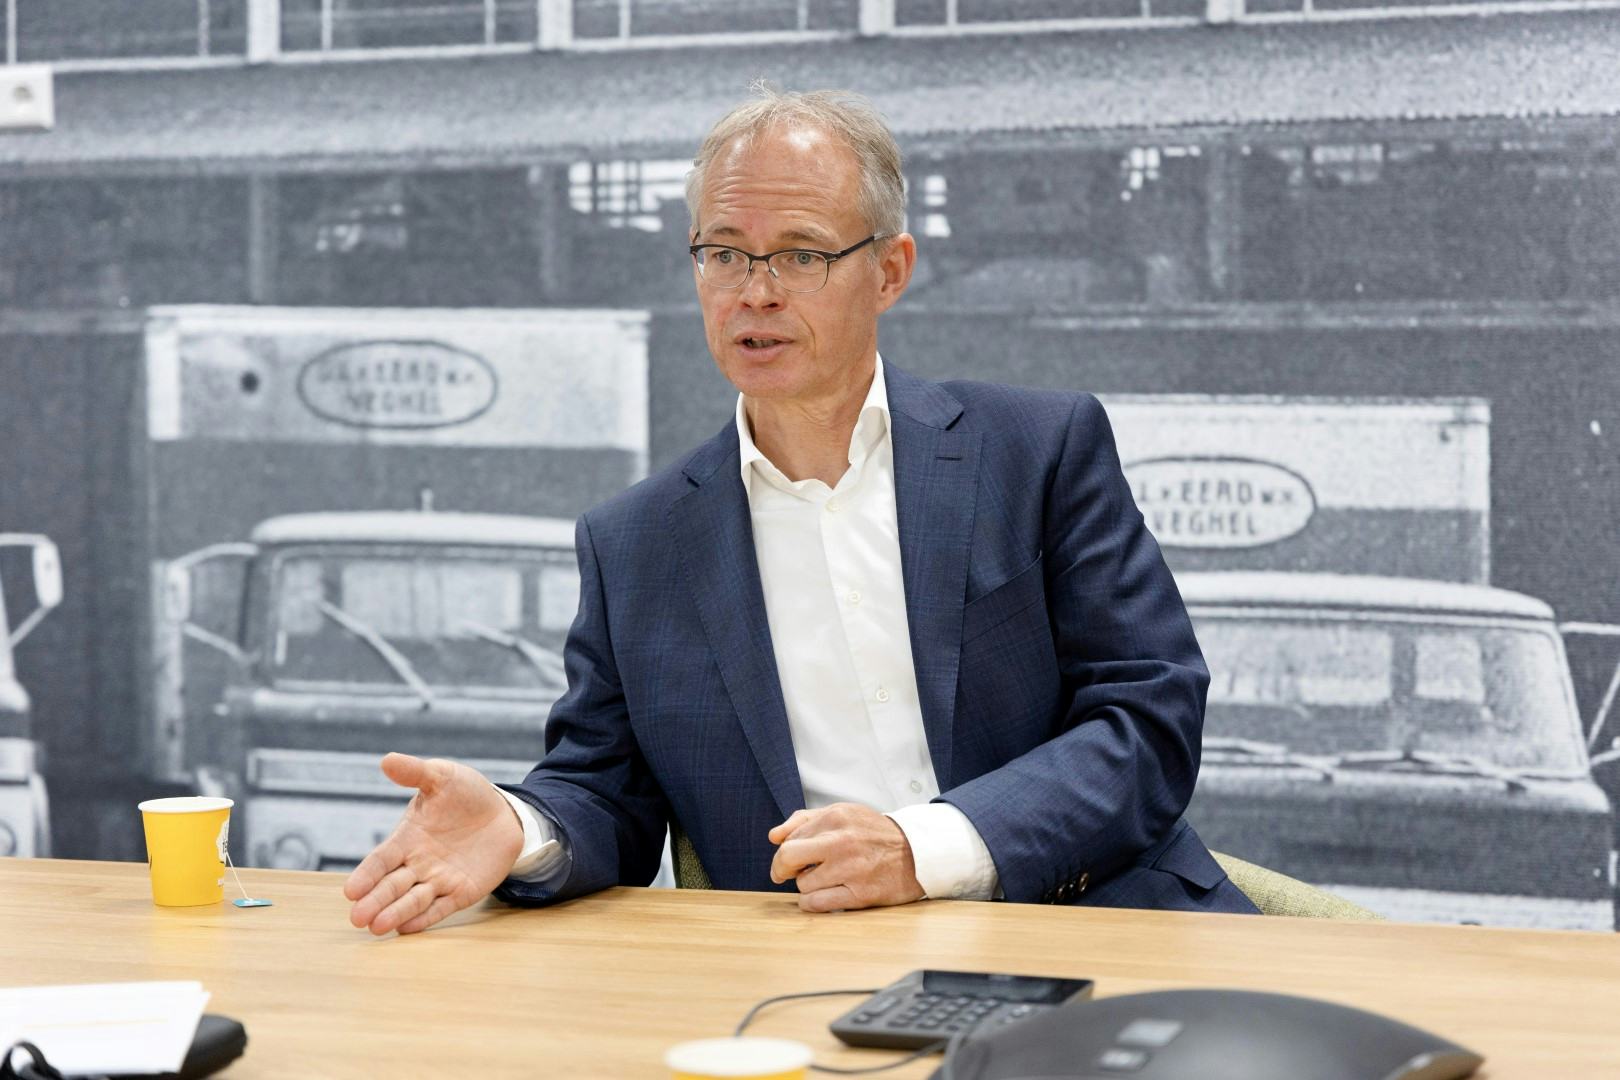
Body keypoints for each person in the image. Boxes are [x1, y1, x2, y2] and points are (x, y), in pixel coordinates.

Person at [344, 88, 1258, 936]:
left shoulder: (1037, 450)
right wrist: (516, 826)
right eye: (724, 252)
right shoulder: (638, 542)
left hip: (1100, 922)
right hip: (807, 972)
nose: (756, 291)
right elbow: (607, 794)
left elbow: (1148, 721)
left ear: (890, 271)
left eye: (801, 253)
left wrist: (921, 851)